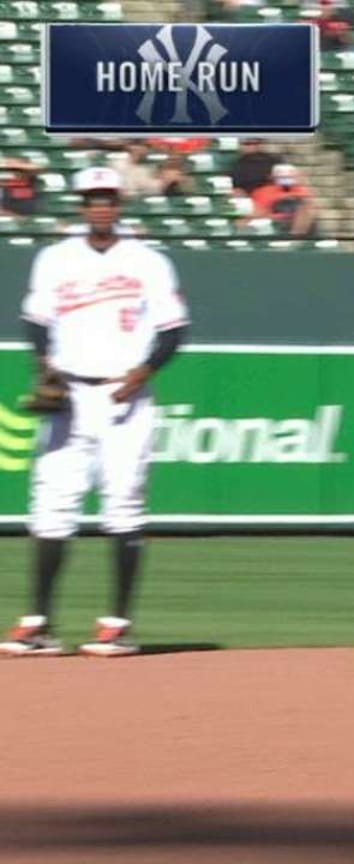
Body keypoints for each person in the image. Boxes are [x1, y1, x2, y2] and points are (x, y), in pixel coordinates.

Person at [0, 168, 189, 658]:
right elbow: (37, 320)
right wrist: (44, 366)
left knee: (123, 503)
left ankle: (118, 624)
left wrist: (144, 372)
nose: (99, 206)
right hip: (69, 395)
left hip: (123, 396)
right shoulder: (56, 258)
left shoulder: (148, 261)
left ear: (120, 203)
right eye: (91, 198)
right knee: (51, 506)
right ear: (81, 205)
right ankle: (38, 623)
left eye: (107, 198)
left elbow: (173, 330)